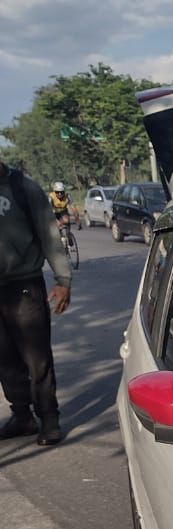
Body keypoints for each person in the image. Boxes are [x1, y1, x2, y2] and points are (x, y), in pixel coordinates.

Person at [0, 163, 73, 445]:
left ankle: (49, 418)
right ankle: (22, 416)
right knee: (4, 359)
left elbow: (49, 235)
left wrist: (63, 279)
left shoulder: (22, 187)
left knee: (36, 358)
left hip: (24, 287)